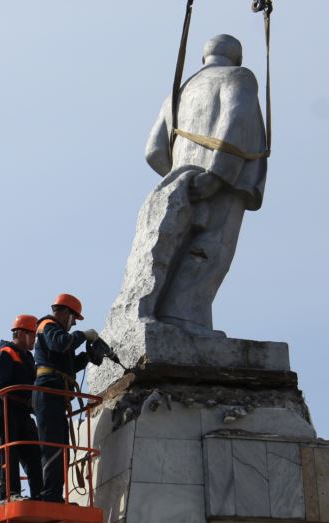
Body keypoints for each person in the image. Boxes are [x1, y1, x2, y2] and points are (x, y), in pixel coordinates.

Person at [138, 33, 268, 334]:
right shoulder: (239, 76)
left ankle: (171, 316)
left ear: (204, 58)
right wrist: (217, 175)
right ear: (237, 58)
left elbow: (153, 151)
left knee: (178, 250)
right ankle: (186, 320)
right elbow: (237, 120)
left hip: (182, 183)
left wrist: (180, 178)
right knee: (211, 250)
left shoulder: (177, 93)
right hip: (223, 181)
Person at [32, 294, 98, 503]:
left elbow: (68, 365)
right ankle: (49, 495)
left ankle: (54, 494)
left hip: (55, 394)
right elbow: (61, 344)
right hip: (47, 392)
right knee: (52, 445)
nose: (74, 324)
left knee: (61, 448)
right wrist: (83, 335)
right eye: (74, 319)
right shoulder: (48, 326)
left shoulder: (57, 333)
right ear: (65, 313)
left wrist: (88, 356)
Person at [0, 314, 42, 501]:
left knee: (35, 455)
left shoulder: (27, 357)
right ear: (20, 333)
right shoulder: (5, 353)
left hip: (23, 414)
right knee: (8, 455)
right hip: (6, 412)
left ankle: (40, 495)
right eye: (33, 335)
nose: (35, 339)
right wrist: (26, 398)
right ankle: (10, 494)